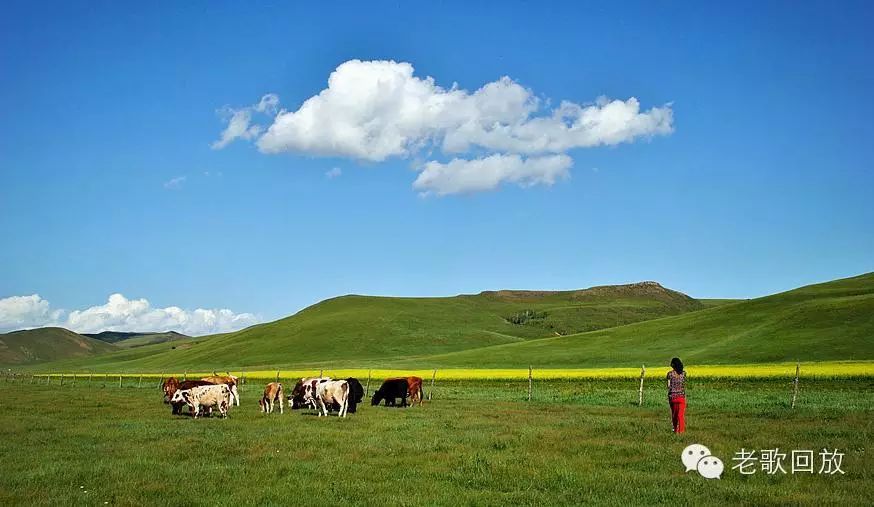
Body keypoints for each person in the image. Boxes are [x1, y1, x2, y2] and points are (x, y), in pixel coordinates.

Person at [667, 357, 686, 433]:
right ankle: (681, 431)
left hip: (673, 397)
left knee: (674, 415)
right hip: (681, 397)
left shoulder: (670, 374)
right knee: (680, 415)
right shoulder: (684, 373)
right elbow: (683, 383)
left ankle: (675, 430)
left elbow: (668, 386)